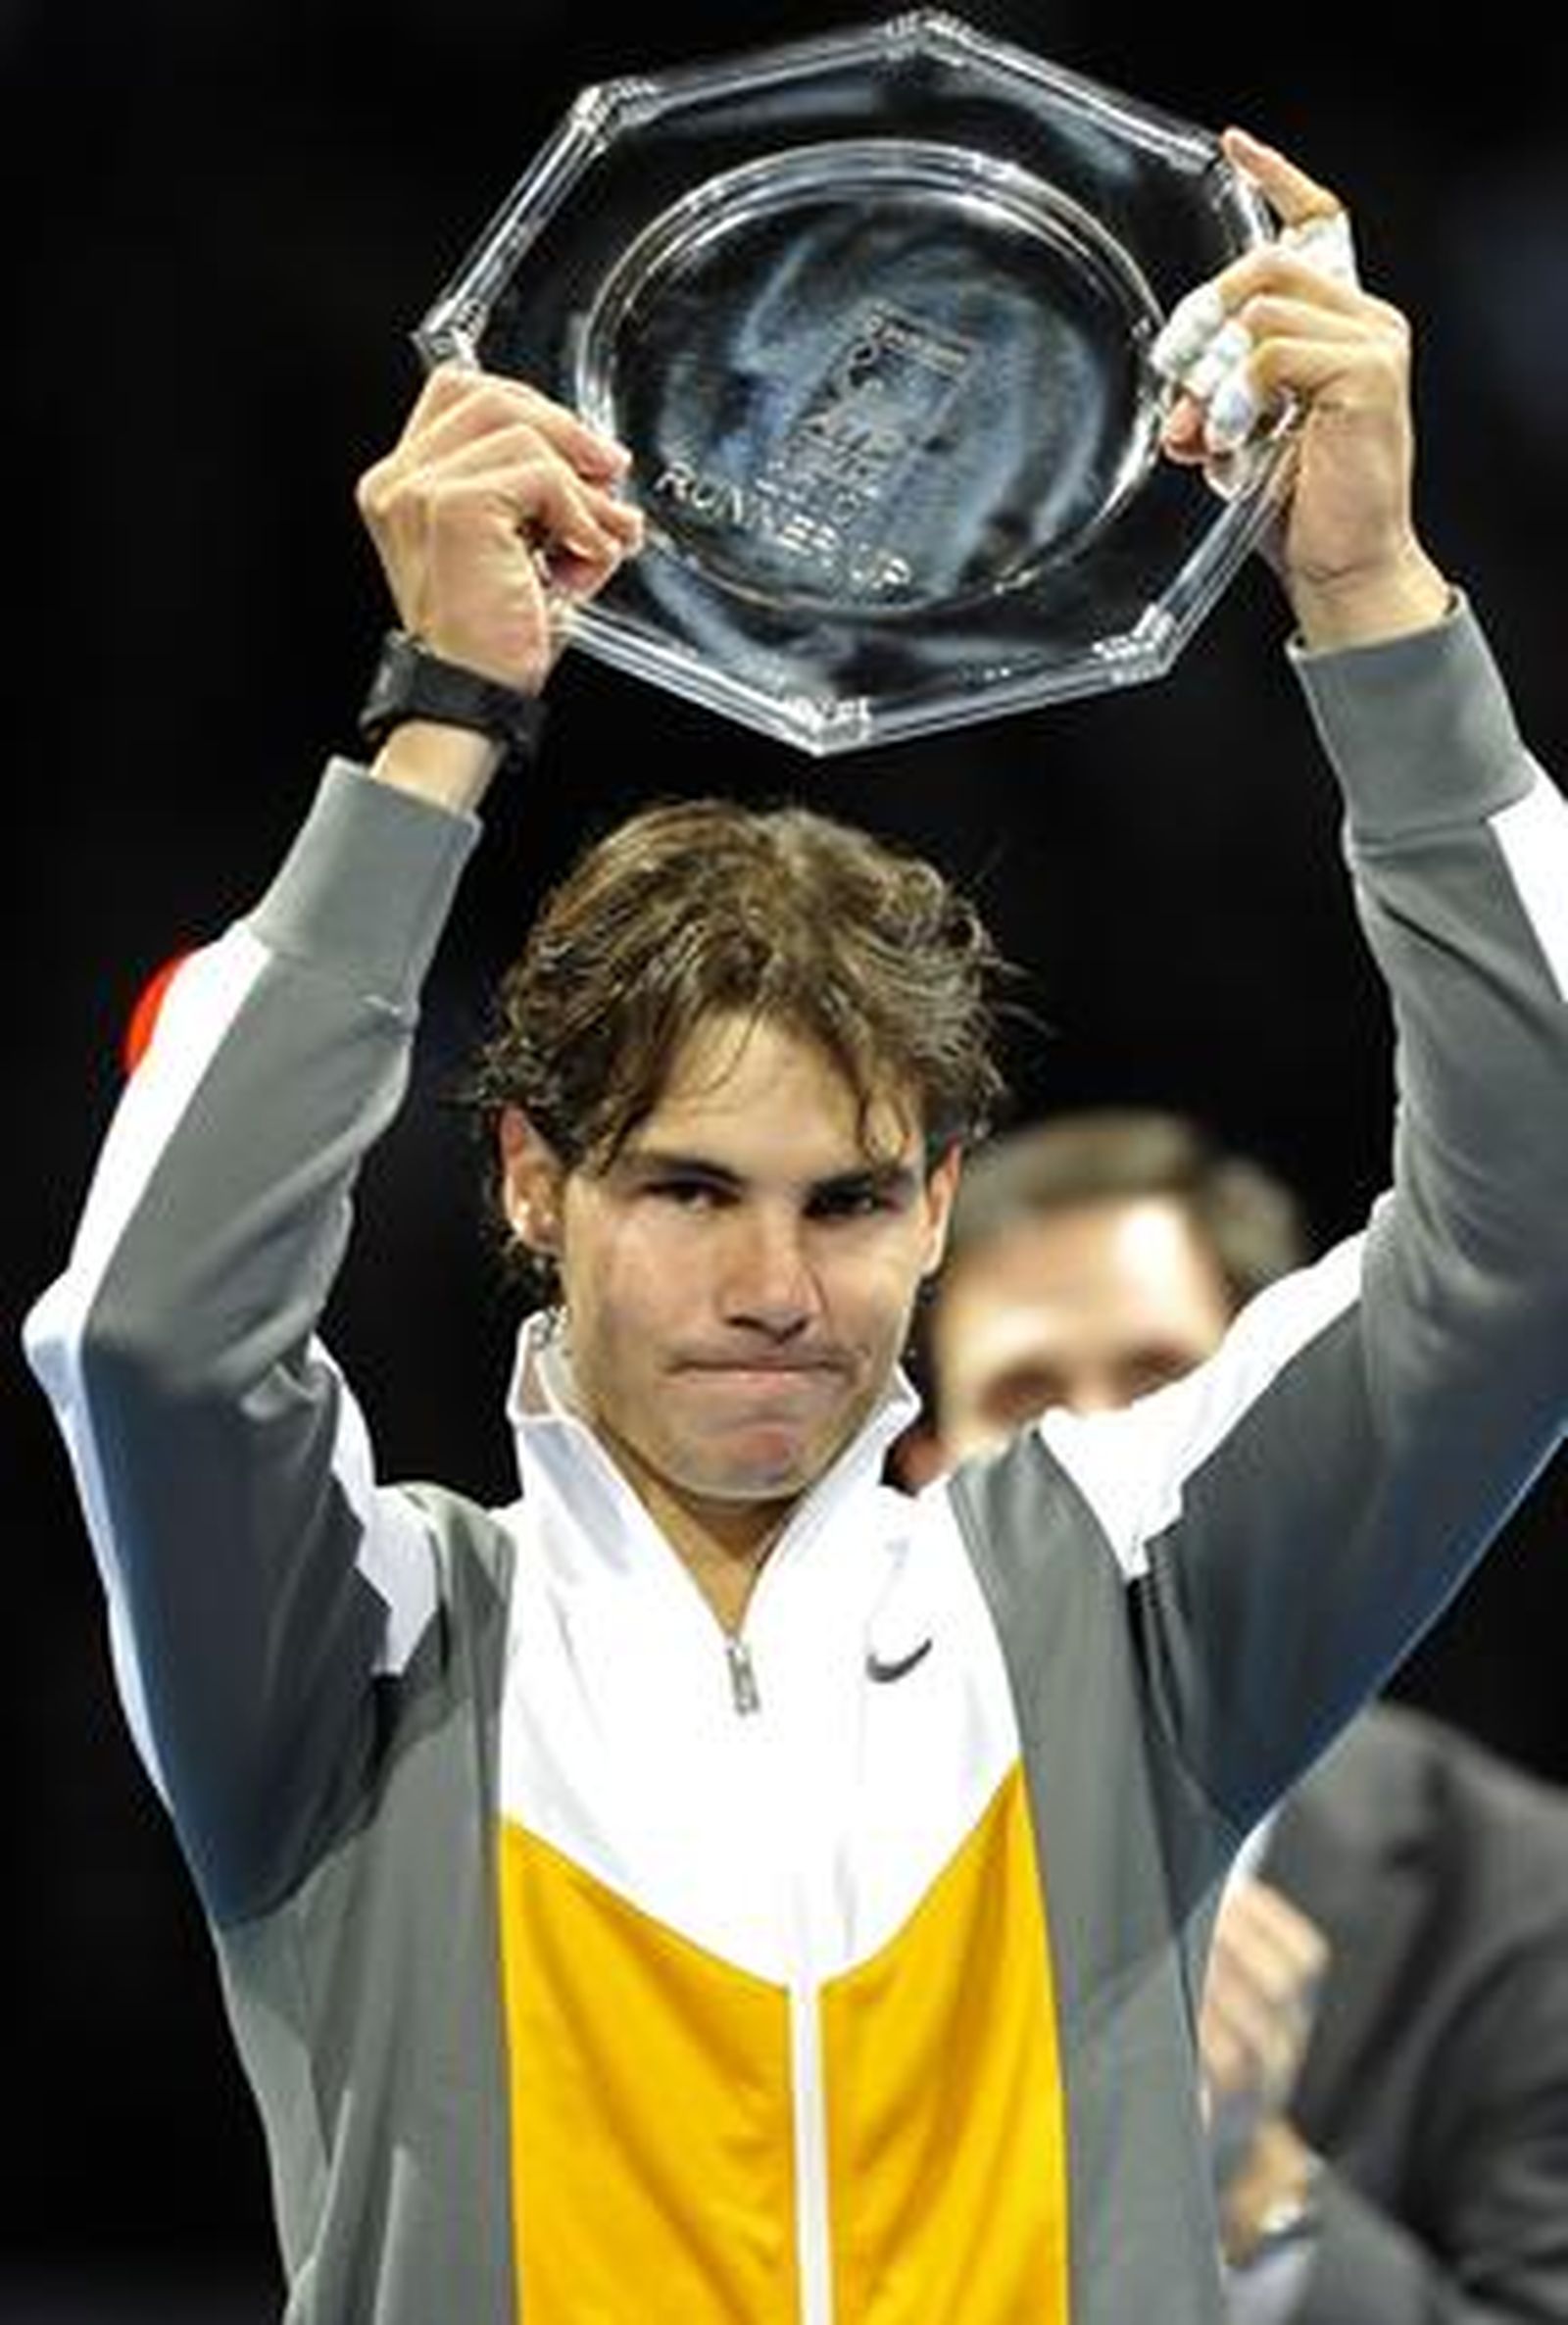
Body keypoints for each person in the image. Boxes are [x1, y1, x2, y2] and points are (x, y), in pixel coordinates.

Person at [20, 127, 1568, 2325]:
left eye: (846, 1200)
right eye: (683, 1190)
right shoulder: (367, 1651)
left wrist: (1369, 593)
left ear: (939, 1201)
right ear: (532, 1182)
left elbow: (1532, 1249)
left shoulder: (1121, 1609)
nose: (772, 1289)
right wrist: (438, 724)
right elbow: (148, 1340)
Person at [910, 1108, 1568, 2321]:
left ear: (1297, 1431)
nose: (1096, 1454)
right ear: (929, 1472)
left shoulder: (1526, 1899)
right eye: (1024, 1399)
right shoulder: (775, 1851)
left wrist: (1253, 2197)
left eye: (1164, 1384)